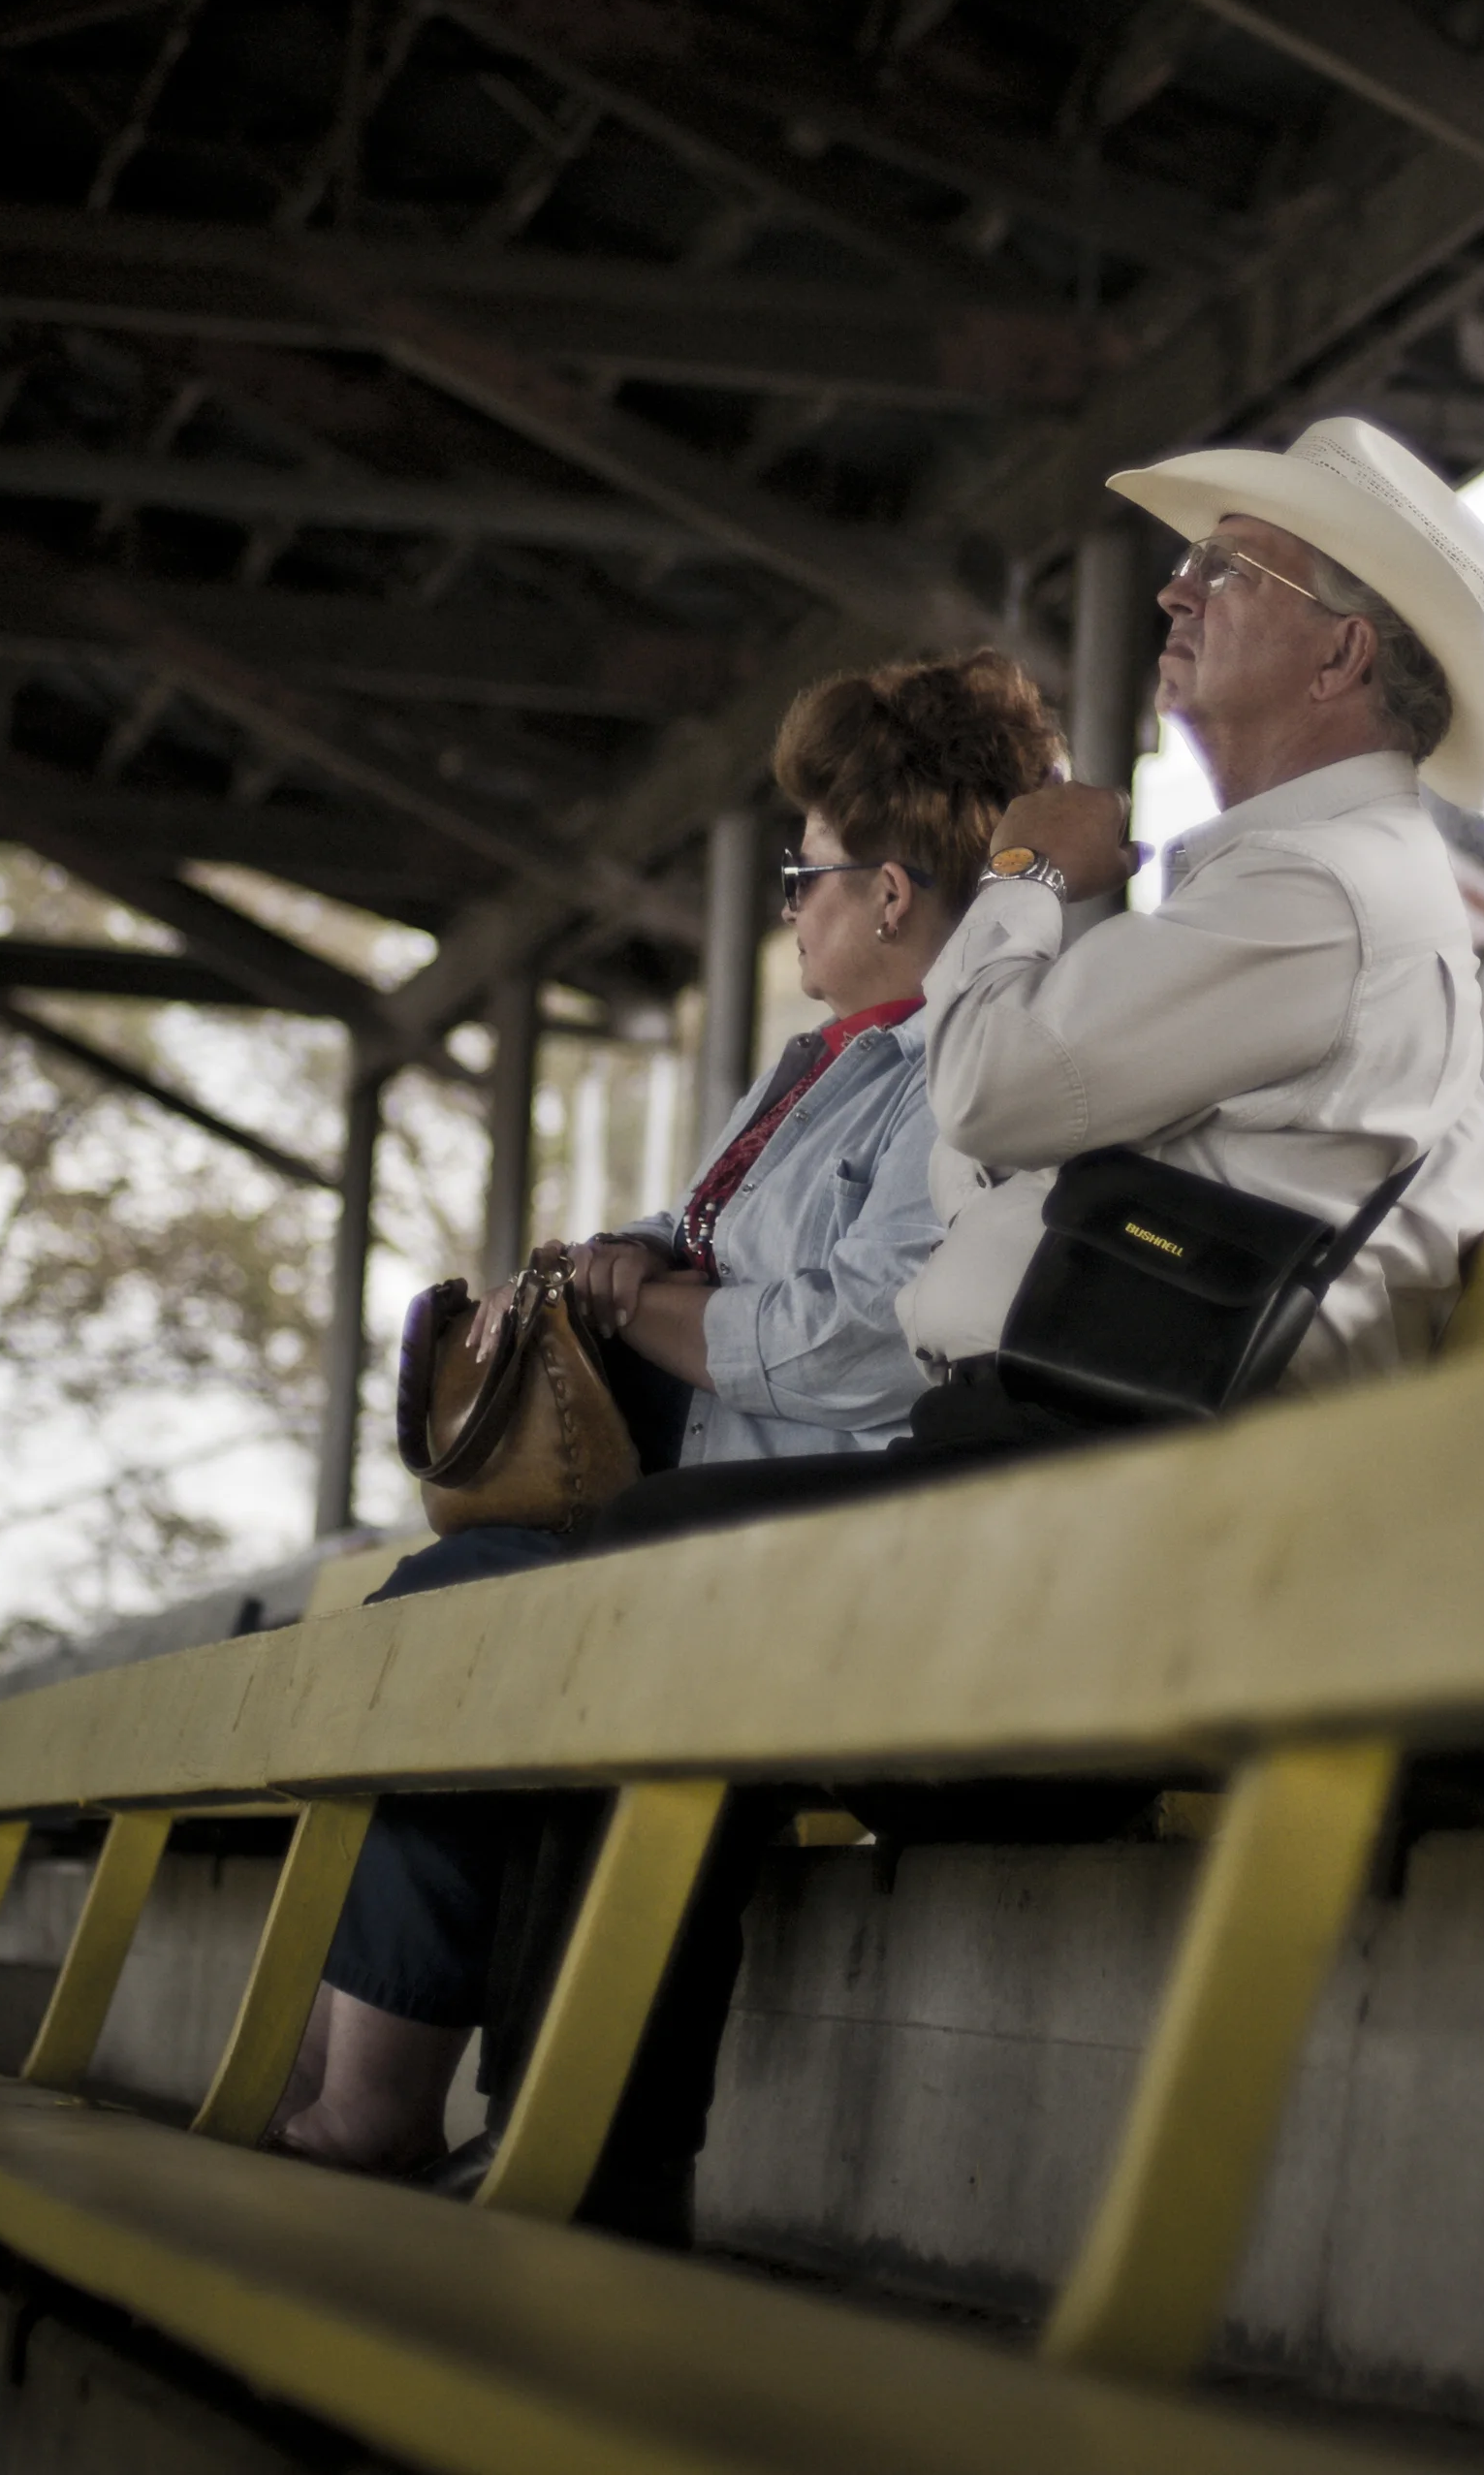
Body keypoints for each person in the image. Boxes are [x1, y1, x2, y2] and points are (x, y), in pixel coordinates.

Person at [269, 646, 1063, 2193]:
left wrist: (643, 1310)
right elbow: (697, 1231)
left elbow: (864, 1339)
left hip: (816, 1552)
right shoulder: (812, 1067)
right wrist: (607, 1262)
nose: (791, 907)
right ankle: (336, 2095)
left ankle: (370, 2107)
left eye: (804, 876)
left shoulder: (955, 1075)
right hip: (682, 1535)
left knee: (454, 1615)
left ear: (891, 895)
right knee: (436, 1615)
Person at [902, 412, 1484, 1400]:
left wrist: (1027, 869)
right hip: (1084, 1426)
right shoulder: (1325, 874)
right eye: (1195, 559)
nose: (1175, 590)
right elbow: (988, 1137)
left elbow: (988, 1090)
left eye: (1229, 569)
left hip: (1109, 1438)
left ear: (1340, 657)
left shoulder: (1326, 889)